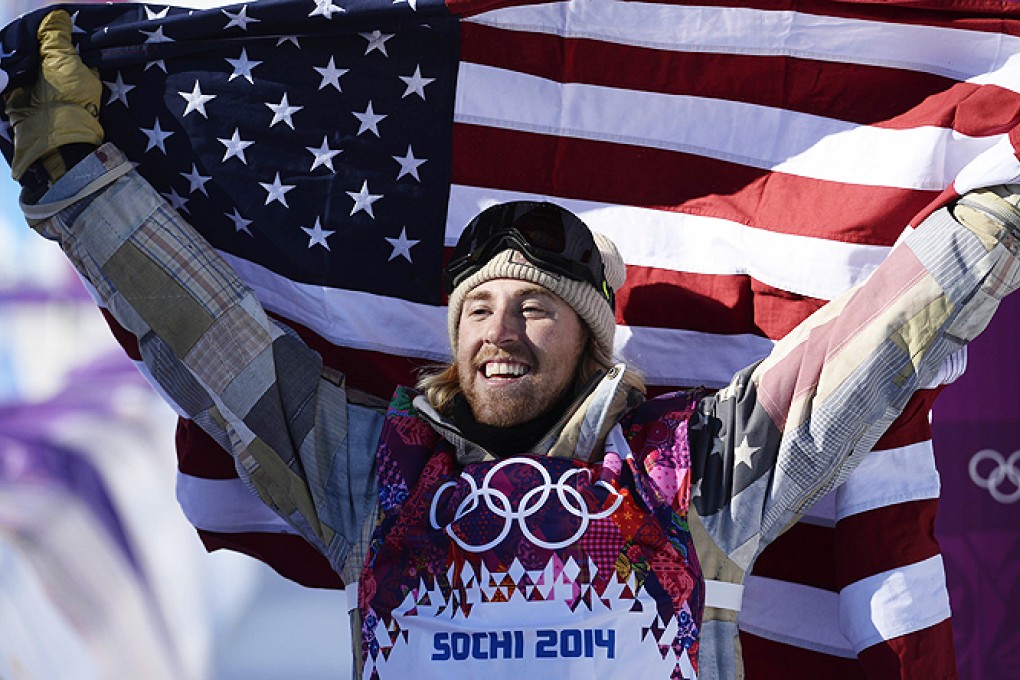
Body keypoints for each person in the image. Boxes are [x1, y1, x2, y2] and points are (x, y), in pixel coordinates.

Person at [6, 11, 1020, 680]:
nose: (501, 329)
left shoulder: (689, 472)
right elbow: (214, 343)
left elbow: (871, 347)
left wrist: (996, 212)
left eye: (537, 308)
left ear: (591, 339)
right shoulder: (369, 475)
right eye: (480, 309)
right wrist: (75, 176)